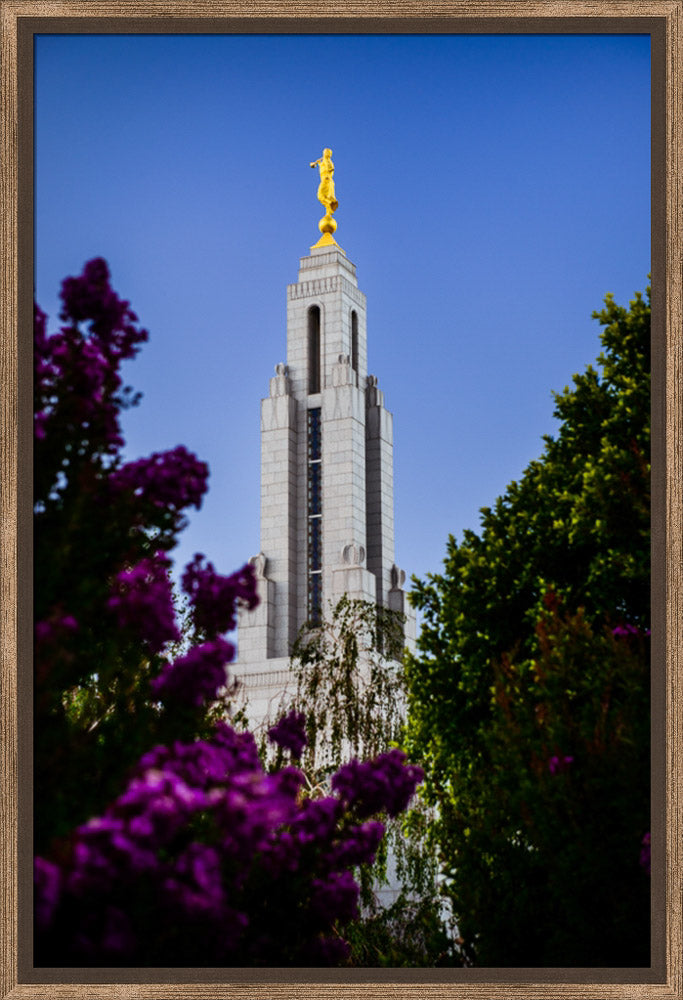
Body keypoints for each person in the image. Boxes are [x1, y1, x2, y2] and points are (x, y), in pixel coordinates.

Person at [310, 148, 338, 214]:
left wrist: (325, 160)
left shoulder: (327, 160)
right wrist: (318, 164)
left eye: (325, 153)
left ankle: (331, 204)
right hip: (325, 180)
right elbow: (323, 168)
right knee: (321, 196)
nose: (324, 154)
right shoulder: (325, 161)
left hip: (327, 180)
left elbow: (330, 168)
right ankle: (329, 206)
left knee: (320, 195)